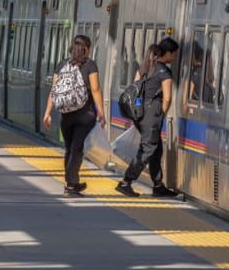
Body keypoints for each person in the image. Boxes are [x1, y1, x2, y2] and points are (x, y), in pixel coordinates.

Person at [42, 35, 105, 196]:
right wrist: (101, 113)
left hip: (66, 115)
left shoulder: (62, 64)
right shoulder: (90, 65)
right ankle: (71, 185)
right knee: (77, 150)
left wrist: (48, 113)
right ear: (87, 49)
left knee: (70, 149)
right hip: (85, 115)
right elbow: (96, 89)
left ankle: (73, 182)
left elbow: (54, 90)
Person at [116, 37, 179, 198]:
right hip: (152, 114)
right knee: (148, 149)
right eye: (174, 54)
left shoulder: (145, 67)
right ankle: (126, 182)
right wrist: (162, 114)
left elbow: (135, 88)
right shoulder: (164, 72)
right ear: (169, 53)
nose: (174, 58)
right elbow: (167, 98)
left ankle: (158, 185)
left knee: (156, 149)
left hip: (139, 112)